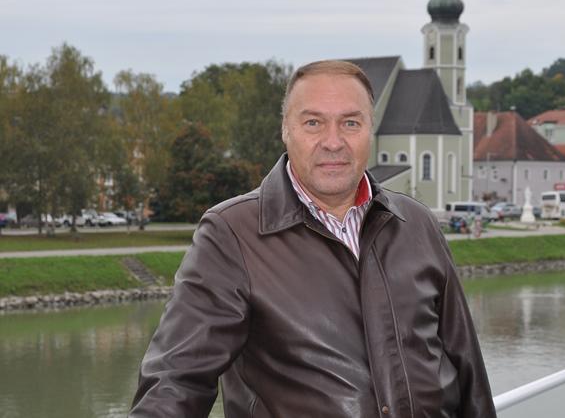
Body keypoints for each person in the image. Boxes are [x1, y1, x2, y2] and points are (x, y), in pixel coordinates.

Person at [130, 60, 497, 418]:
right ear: (285, 130)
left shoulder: (416, 223)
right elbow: (176, 382)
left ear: (371, 129)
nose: (333, 142)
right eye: (313, 123)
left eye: (350, 123)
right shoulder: (232, 234)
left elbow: (467, 369)